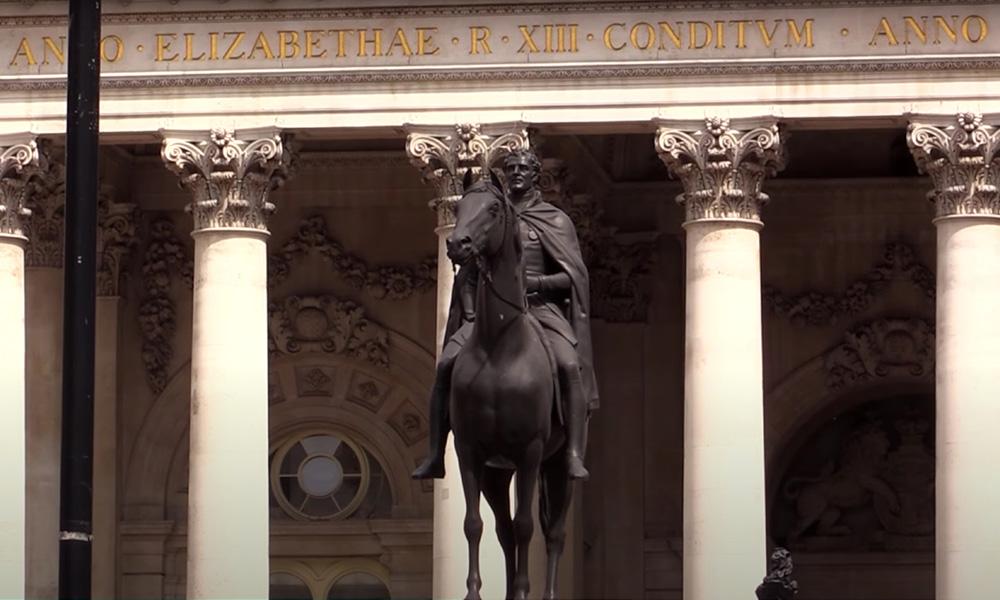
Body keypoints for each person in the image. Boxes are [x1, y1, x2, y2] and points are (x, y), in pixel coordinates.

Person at [412, 149, 598, 480]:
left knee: (569, 365)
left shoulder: (555, 220)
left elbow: (572, 277)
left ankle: (572, 453)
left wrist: (534, 283)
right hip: (488, 312)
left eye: (522, 168)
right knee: (446, 366)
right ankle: (435, 454)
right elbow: (467, 274)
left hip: (541, 309)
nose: (515, 174)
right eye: (510, 168)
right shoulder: (485, 214)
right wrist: (471, 315)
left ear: (535, 175)